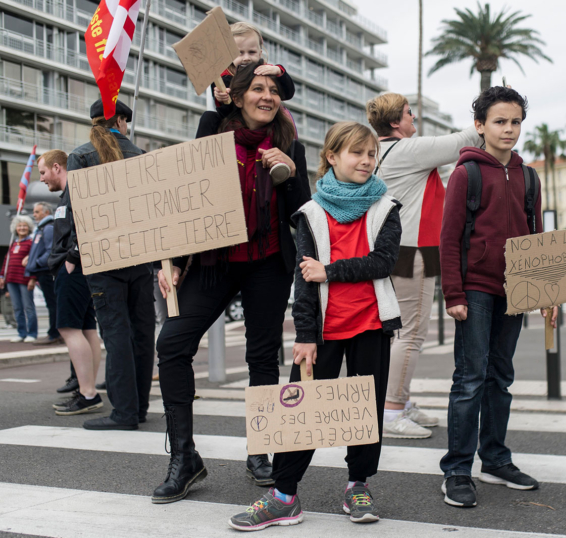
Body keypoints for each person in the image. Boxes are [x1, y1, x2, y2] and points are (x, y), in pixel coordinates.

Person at [228, 122, 401, 530]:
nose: (366, 161)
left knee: (366, 413)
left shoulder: (386, 205)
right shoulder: (310, 212)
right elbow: (303, 279)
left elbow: (383, 262)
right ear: (332, 157)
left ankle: (358, 484)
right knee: (298, 412)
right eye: (357, 153)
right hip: (322, 330)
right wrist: (304, 334)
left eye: (371, 154)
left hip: (371, 325)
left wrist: (330, 270)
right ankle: (284, 495)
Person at [153, 61, 309, 504]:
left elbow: (303, 214)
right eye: (257, 89)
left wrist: (291, 174)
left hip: (267, 263)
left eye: (274, 91)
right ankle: (184, 458)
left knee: (262, 357)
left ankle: (260, 452)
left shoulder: (289, 145)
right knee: (173, 344)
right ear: (236, 97)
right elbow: (186, 202)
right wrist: (177, 263)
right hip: (213, 261)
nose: (267, 96)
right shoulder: (213, 137)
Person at [439, 86, 556, 508]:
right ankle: (456, 469)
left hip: (518, 290)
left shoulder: (528, 176)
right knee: (470, 379)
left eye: (515, 122)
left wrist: (546, 290)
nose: (509, 129)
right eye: (500, 121)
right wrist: (454, 292)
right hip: (475, 289)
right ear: (480, 126)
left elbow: (536, 236)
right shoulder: (465, 173)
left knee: (500, 379)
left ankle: (495, 459)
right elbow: (449, 239)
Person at [366, 92, 480, 440]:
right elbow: (466, 140)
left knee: (402, 331)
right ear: (395, 123)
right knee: (412, 333)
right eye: (408, 113)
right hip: (412, 247)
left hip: (410, 246)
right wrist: (485, 114)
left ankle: (400, 398)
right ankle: (393, 408)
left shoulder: (382, 152)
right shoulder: (405, 150)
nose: (413, 118)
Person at [66, 100, 155, 431]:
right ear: (121, 120)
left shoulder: (81, 156)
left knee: (116, 333)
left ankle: (124, 413)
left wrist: (71, 256)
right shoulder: (143, 156)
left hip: (103, 257)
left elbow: (72, 210)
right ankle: (140, 407)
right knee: (142, 333)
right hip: (141, 254)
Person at [41, 149, 104, 417]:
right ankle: (87, 390)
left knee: (68, 328)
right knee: (87, 328)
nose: (42, 178)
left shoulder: (74, 192)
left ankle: (88, 393)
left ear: (57, 167)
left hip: (74, 268)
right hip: (79, 268)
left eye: (43, 172)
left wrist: (72, 258)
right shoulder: (70, 193)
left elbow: (86, 224)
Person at [25, 202, 62, 346]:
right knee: (53, 304)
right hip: (44, 272)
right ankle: (56, 333)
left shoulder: (47, 228)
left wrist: (35, 263)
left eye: (36, 212)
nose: (34, 214)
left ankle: (54, 334)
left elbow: (50, 251)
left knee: (52, 304)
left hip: (46, 273)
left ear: (46, 213)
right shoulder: (43, 228)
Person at [0, 215, 37, 342]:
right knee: (16, 307)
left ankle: (32, 333)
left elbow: (33, 261)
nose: (22, 228)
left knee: (28, 307)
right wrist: (1, 276)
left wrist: (33, 278)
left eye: (24, 226)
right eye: (20, 225)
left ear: (29, 228)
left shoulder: (31, 243)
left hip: (24, 279)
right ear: (15, 228)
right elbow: (6, 261)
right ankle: (21, 333)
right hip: (11, 279)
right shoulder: (13, 243)